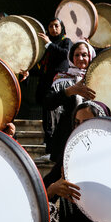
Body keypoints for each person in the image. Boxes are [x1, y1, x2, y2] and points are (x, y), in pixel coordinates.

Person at [44, 40, 96, 164]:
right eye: (76, 55)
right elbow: (48, 103)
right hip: (66, 137)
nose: (80, 58)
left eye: (84, 55)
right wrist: (69, 91)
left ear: (91, 56)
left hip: (93, 136)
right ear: (71, 58)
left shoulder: (99, 78)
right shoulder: (62, 78)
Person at [35, 18, 73, 157]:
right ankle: (47, 142)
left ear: (61, 27)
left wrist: (49, 44)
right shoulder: (46, 43)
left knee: (56, 114)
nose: (53, 29)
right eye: (50, 26)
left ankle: (53, 146)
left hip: (58, 82)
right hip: (45, 81)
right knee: (46, 114)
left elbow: (65, 54)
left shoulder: (65, 41)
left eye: (56, 26)